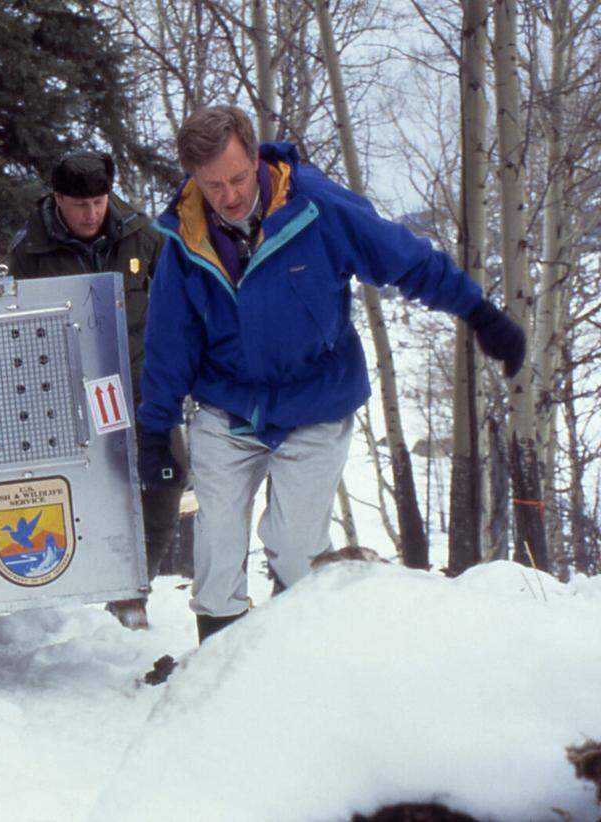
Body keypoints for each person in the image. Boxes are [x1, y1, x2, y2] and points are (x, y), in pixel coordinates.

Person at [137, 106, 526, 644]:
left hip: (315, 399)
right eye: (212, 186)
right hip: (229, 404)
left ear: (255, 158)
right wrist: (155, 429)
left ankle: (300, 657)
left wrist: (479, 313)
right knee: (217, 548)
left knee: (295, 547)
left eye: (237, 178)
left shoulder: (317, 208)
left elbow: (407, 261)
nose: (227, 196)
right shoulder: (185, 238)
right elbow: (168, 342)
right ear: (193, 180)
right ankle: (216, 677)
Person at [7, 151, 185, 630]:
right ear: (57, 199)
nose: (91, 214)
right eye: (79, 204)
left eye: (99, 202)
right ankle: (72, 592)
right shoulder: (30, 251)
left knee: (168, 474)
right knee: (83, 489)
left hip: (144, 384)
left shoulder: (143, 237)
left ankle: (133, 589)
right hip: (68, 392)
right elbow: (18, 327)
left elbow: (179, 309)